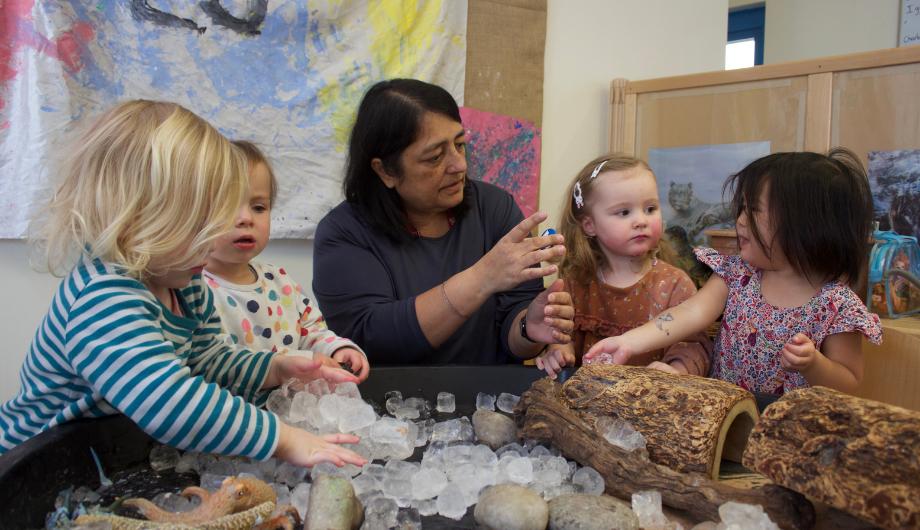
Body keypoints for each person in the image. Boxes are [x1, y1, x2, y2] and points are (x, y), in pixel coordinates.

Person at [0, 100, 367, 469]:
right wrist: (284, 439)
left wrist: (275, 368)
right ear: (137, 219)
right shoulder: (102, 296)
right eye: (199, 226)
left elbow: (209, 361)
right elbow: (168, 401)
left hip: (105, 453)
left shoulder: (185, 286)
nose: (213, 244)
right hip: (29, 462)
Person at [313, 79, 574, 364]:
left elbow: (514, 331)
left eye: (459, 145)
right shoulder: (344, 233)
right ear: (386, 170)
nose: (459, 165)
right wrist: (481, 278)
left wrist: (529, 327)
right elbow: (370, 340)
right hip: (383, 404)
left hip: (487, 402)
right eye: (435, 157)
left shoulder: (494, 208)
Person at [585, 149, 883, 395]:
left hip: (790, 439)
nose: (739, 220)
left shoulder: (837, 306)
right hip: (723, 423)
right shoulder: (738, 274)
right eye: (741, 208)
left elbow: (850, 382)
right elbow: (689, 313)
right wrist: (628, 342)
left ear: (805, 225)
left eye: (753, 211)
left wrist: (813, 364)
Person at [203, 141, 370, 381]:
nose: (246, 218)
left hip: (295, 406)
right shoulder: (193, 290)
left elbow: (312, 332)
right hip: (238, 412)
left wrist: (338, 349)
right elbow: (210, 363)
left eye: (259, 207)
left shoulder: (279, 280)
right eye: (227, 206)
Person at [534, 155, 711, 379]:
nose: (641, 221)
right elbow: (561, 336)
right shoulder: (576, 284)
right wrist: (559, 351)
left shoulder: (674, 283)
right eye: (624, 212)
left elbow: (693, 344)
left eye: (650, 208)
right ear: (590, 225)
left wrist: (677, 369)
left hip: (653, 403)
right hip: (589, 403)